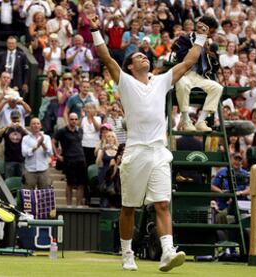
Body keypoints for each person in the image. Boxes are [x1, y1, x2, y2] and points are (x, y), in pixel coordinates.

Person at [87, 10, 211, 271]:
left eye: (145, 55)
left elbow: (188, 61)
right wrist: (96, 30)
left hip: (158, 152)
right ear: (131, 66)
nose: (144, 57)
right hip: (135, 153)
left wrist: (200, 37)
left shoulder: (162, 80)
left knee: (163, 203)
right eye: (138, 56)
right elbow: (106, 57)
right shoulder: (125, 82)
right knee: (129, 208)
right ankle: (127, 254)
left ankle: (168, 251)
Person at [173, 16, 221, 132]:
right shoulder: (184, 39)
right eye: (210, 31)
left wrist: (212, 55)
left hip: (200, 77)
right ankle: (186, 120)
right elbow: (181, 58)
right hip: (185, 74)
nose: (211, 34)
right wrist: (198, 46)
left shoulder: (210, 43)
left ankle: (201, 121)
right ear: (202, 27)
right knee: (182, 84)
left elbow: (215, 68)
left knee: (217, 88)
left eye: (213, 32)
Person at [52, 112, 87, 207]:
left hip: (80, 158)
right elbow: (53, 141)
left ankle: (79, 205)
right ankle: (69, 205)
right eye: (72, 119)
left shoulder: (80, 130)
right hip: (69, 160)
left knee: (81, 184)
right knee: (70, 183)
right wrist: (57, 155)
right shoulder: (62, 131)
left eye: (76, 119)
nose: (74, 121)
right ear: (68, 119)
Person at [21, 117, 52, 189]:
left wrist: (42, 144)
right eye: (33, 124)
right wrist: (36, 147)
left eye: (38, 124)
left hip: (44, 169)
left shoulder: (46, 137)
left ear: (41, 126)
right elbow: (24, 153)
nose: (36, 125)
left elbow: (50, 152)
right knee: (29, 195)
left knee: (44, 194)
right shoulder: (25, 138)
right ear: (30, 126)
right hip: (30, 170)